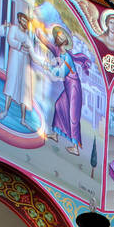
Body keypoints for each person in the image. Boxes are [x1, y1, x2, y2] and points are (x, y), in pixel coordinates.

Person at [37, 24, 83, 153]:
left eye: (60, 37)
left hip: (74, 87)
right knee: (59, 105)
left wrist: (48, 66)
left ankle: (76, 147)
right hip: (68, 87)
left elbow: (61, 73)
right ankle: (56, 134)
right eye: (57, 36)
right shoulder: (58, 51)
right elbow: (49, 45)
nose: (58, 38)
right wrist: (40, 36)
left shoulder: (67, 58)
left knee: (73, 115)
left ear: (65, 41)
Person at [0, 12, 37, 126]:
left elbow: (32, 53)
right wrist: (21, 45)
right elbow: (10, 40)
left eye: (27, 21)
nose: (25, 23)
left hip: (24, 62)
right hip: (15, 60)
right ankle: (6, 110)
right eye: (24, 20)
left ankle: (23, 119)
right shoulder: (14, 29)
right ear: (20, 20)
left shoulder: (27, 37)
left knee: (23, 89)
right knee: (11, 83)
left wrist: (45, 63)